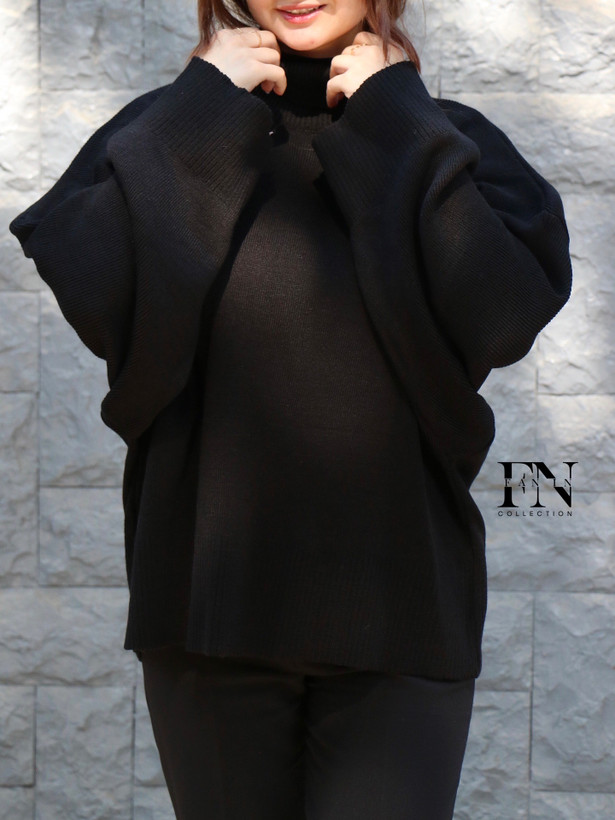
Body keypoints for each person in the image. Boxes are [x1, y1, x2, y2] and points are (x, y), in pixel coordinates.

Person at [9, 0, 573, 817]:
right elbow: (93, 289)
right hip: (206, 616)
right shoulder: (172, 128)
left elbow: (503, 312)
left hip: (403, 613)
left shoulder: (440, 137)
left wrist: (396, 113)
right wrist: (200, 105)